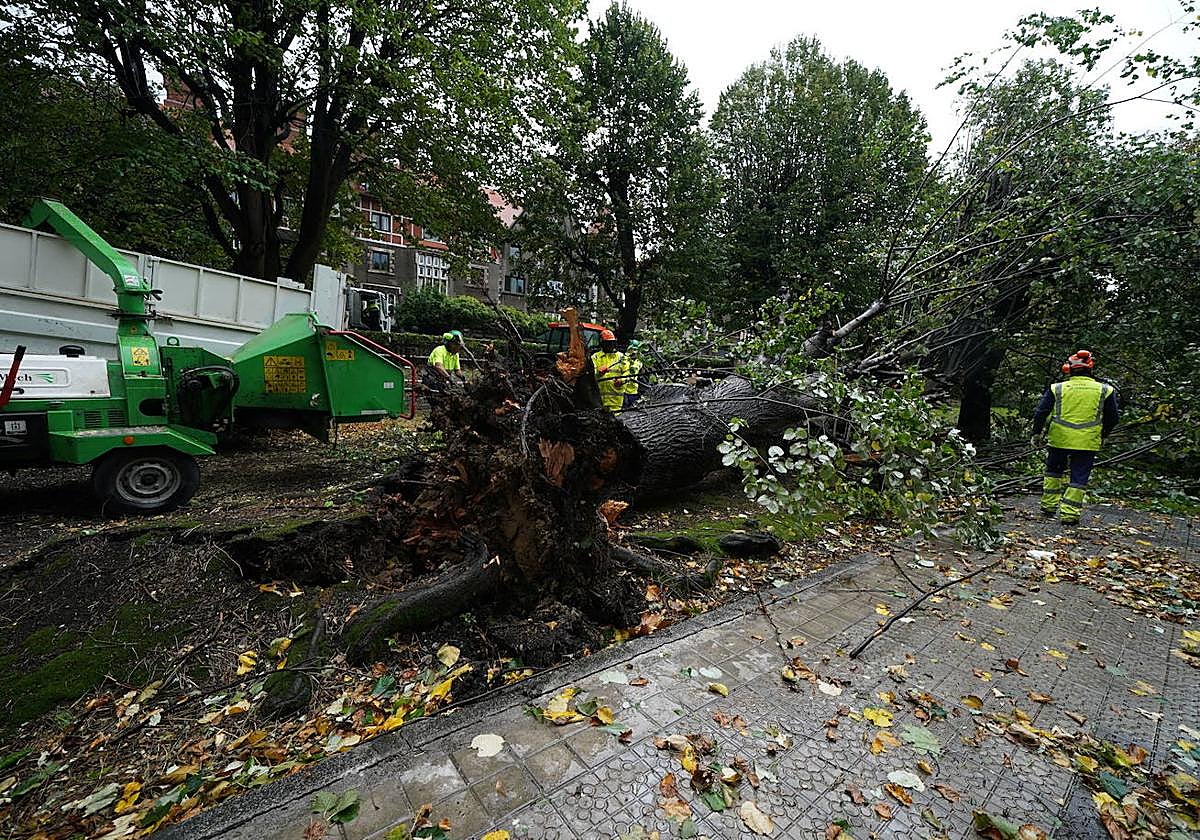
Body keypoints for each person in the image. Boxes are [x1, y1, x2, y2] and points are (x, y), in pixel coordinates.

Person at [1031, 349, 1119, 525]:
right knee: (1079, 477)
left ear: (1068, 369)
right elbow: (1113, 418)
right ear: (1090, 368)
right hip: (1087, 441)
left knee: (1053, 472)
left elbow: (1041, 412)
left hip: (1059, 439)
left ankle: (1048, 506)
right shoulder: (1105, 390)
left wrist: (1036, 433)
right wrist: (1104, 435)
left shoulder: (1057, 388)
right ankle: (1070, 515)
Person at [590, 329, 627, 413]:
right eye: (608, 343)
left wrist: (622, 380)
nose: (610, 345)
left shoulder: (621, 357)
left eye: (612, 343)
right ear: (602, 343)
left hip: (616, 400)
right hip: (599, 400)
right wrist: (598, 372)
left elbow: (628, 372)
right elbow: (591, 375)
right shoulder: (595, 357)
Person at [622, 340, 644, 410]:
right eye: (632, 349)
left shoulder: (639, 362)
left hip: (633, 391)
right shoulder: (623, 359)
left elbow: (641, 375)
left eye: (635, 350)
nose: (634, 352)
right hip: (622, 390)